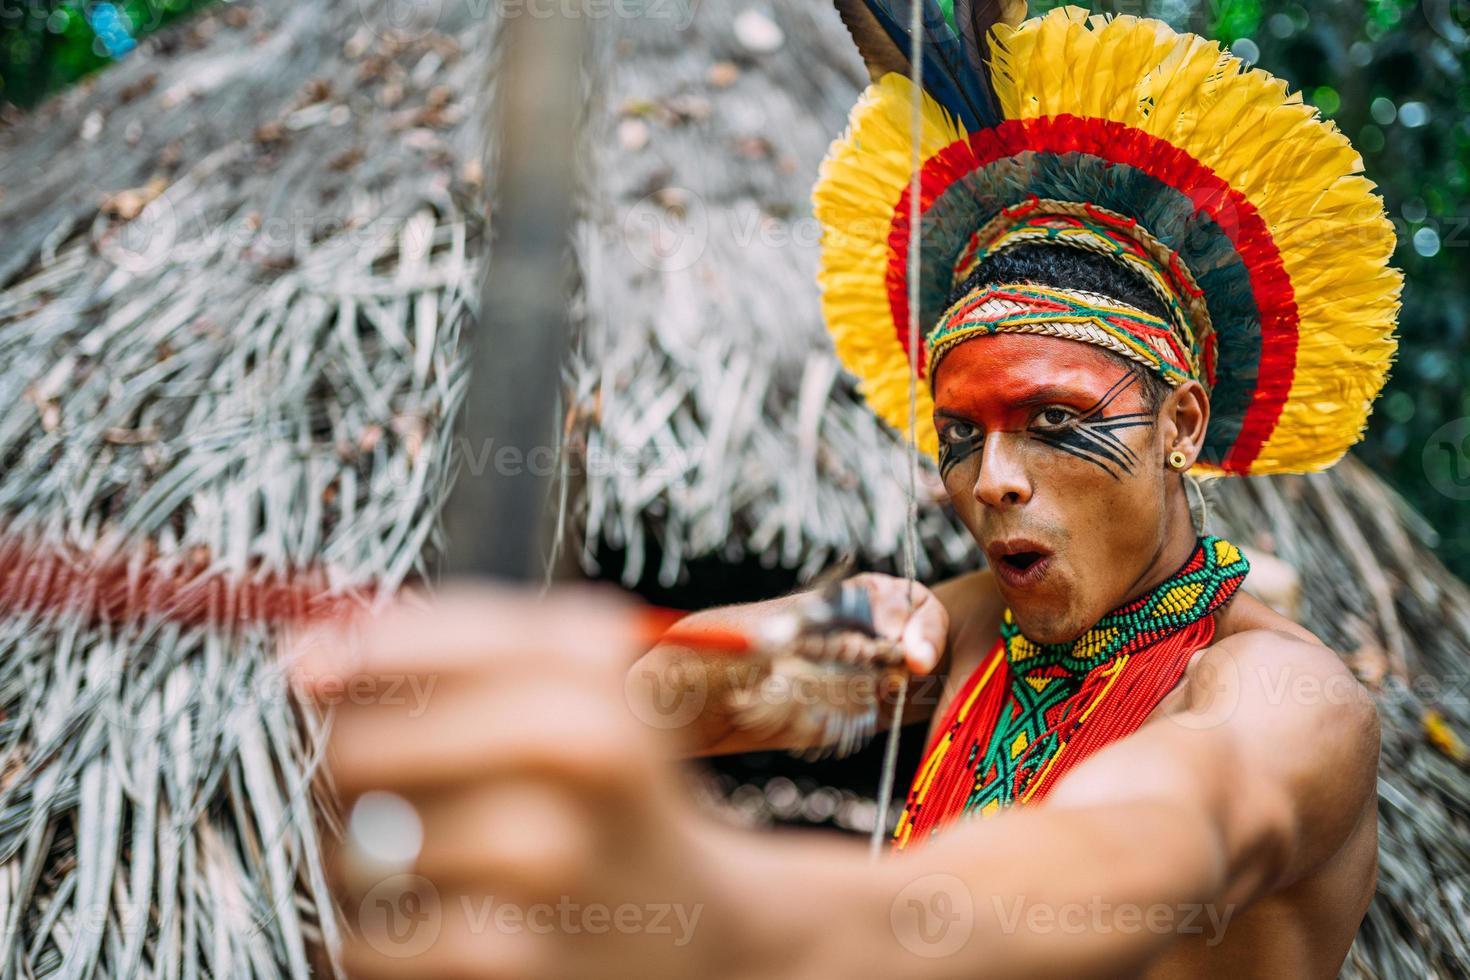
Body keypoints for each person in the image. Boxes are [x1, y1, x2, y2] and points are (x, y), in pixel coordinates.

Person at [290, 4, 1401, 977]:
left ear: (1183, 423)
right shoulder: (972, 629)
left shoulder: (1283, 703)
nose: (991, 480)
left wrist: (723, 916)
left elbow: (1137, 842)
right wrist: (786, 637)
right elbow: (652, 699)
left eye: (1056, 422)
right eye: (960, 434)